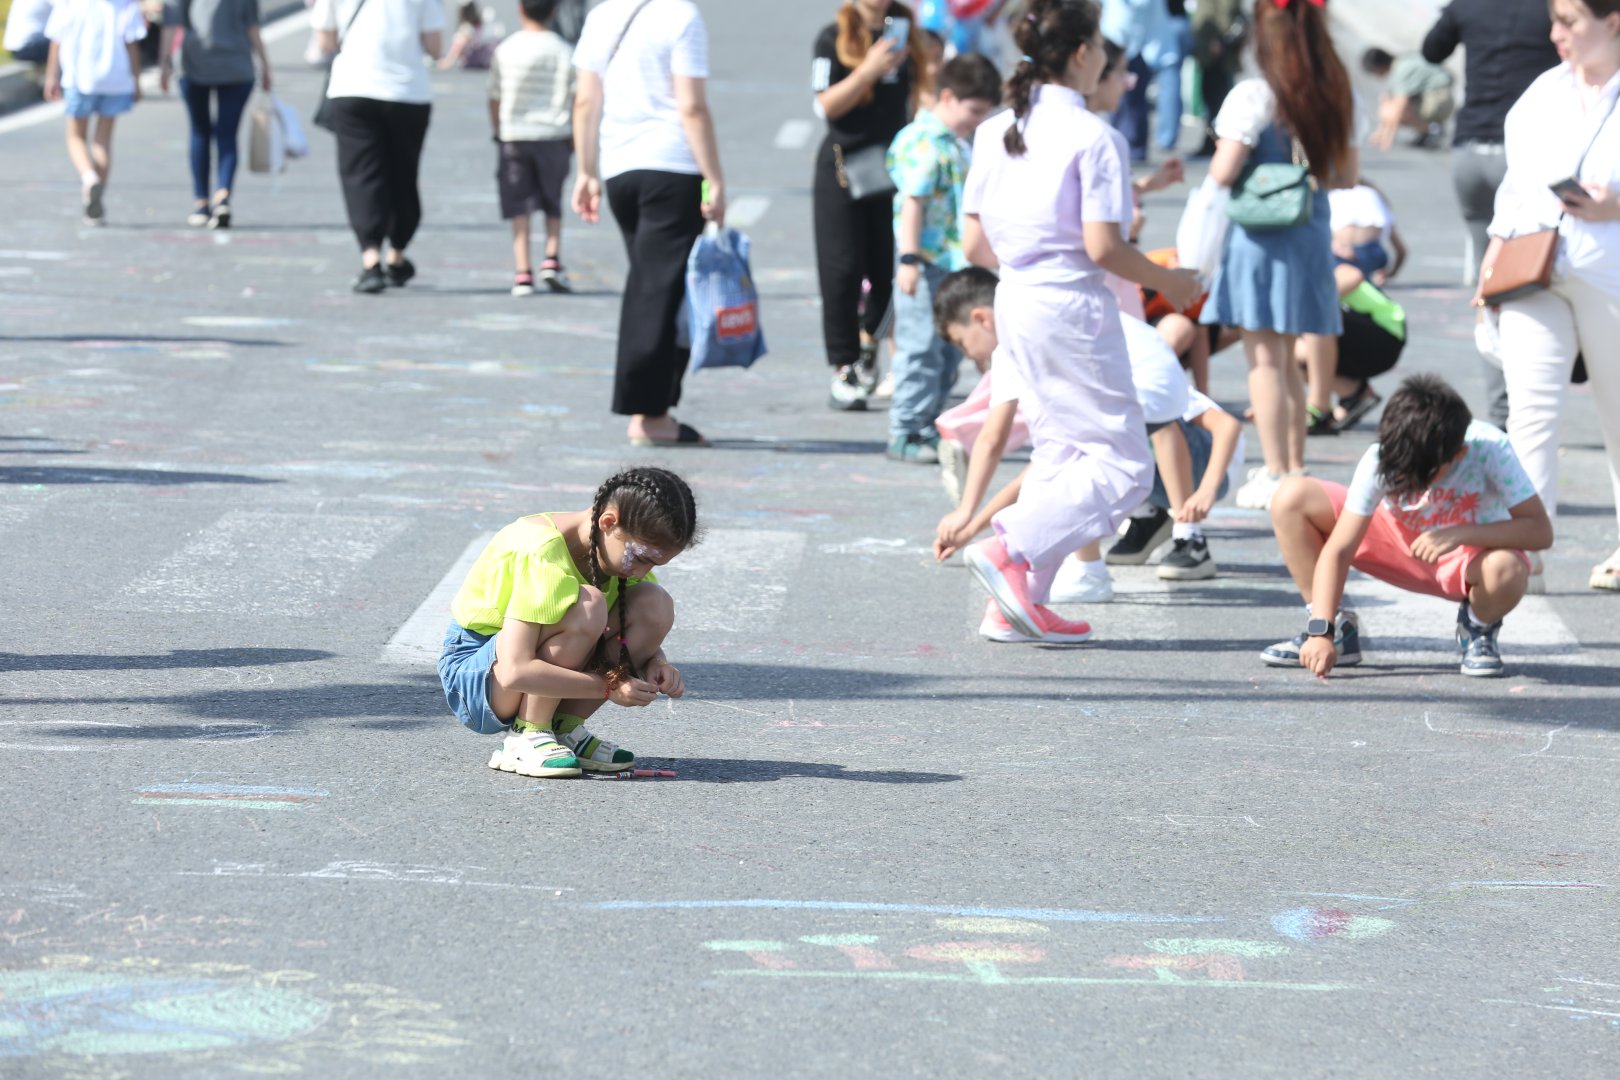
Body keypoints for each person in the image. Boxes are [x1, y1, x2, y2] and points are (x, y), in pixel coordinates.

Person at [956, 0, 1201, 644]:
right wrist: (1171, 281)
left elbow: (973, 245)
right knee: (1123, 468)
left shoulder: (995, 129)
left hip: (1016, 298)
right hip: (1071, 305)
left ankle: (1015, 601)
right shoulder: (1096, 136)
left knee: (1063, 455)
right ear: (1085, 54)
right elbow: (1104, 248)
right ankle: (1011, 552)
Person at [1265, 375, 1552, 678]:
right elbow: (1339, 549)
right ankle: (1337, 630)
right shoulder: (1386, 454)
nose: (1409, 484)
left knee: (1507, 569)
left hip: (1464, 560)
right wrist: (1320, 630)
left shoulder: (1490, 447)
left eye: (1422, 475)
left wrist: (1460, 534)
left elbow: (1540, 531)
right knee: (1292, 497)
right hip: (1393, 546)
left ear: (1458, 455)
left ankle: (1477, 628)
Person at [438, 467, 699, 778]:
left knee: (654, 603)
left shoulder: (613, 554)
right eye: (642, 558)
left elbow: (635, 616)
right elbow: (514, 671)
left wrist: (656, 662)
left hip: (518, 670)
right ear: (608, 522)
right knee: (588, 605)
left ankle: (562, 730)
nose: (641, 572)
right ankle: (527, 735)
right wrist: (609, 686)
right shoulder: (541, 551)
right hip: (478, 679)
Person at [1484, 0, 1620, 593]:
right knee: (1531, 411)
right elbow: (1515, 187)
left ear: (1613, 22)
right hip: (1534, 266)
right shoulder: (1544, 91)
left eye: (1570, 22)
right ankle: (1525, 550)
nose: (1555, 33)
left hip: (1609, 273)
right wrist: (1492, 258)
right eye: (1555, 21)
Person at [1199, 0, 1356, 510]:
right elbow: (1346, 176)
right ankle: (1293, 465)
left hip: (1260, 237)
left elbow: (1222, 172)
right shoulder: (1335, 93)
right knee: (1287, 357)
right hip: (1309, 231)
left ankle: (1273, 470)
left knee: (1263, 360)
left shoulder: (1254, 95)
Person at [573, 0, 724, 448]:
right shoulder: (681, 16)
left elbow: (585, 99)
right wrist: (714, 177)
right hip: (671, 166)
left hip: (621, 171)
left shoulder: (601, 15)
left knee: (654, 286)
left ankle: (655, 405)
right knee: (657, 293)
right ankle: (649, 414)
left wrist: (586, 171)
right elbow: (691, 107)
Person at [1422, 0, 1558, 432]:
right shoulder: (1552, 11)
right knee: (1543, 287)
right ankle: (1533, 404)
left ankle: (1502, 413)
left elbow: (1430, 50)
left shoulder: (1468, 5)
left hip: (1469, 154)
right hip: (1524, 154)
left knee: (1492, 285)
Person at [884, 52, 1002, 464]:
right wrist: (910, 259)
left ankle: (931, 424)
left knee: (949, 349)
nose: (976, 121)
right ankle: (906, 430)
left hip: (950, 264)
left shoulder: (955, 141)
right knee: (919, 348)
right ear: (948, 97)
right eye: (973, 111)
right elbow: (912, 202)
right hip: (925, 264)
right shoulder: (925, 143)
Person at [812, 1, 928, 411]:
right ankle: (843, 366)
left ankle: (869, 347)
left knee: (885, 272)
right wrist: (868, 71)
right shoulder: (833, 37)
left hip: (892, 169)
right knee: (840, 270)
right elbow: (825, 106)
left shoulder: (908, 31)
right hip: (843, 168)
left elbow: (924, 95)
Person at [312, 0, 445, 294]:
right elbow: (435, 46)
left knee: (360, 175)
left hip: (353, 86)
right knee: (403, 174)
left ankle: (370, 259)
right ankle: (396, 254)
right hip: (408, 91)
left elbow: (325, 40)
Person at [159, 0, 273, 230]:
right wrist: (264, 64)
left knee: (199, 132)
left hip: (194, 63)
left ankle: (201, 203)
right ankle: (222, 196)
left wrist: (164, 63)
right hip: (237, 65)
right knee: (227, 135)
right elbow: (252, 26)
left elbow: (171, 23)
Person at [490, 0, 575, 296]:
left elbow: (495, 95)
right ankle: (552, 258)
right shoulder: (564, 50)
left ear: (520, 9)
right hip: (554, 134)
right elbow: (575, 97)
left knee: (519, 205)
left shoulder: (506, 49)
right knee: (553, 200)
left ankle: (522, 271)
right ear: (554, 11)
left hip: (514, 134)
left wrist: (498, 129)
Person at [43, 0, 146, 227]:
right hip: (115, 79)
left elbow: (56, 40)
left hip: (79, 78)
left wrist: (51, 75)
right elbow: (132, 45)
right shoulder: (125, 4)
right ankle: (95, 210)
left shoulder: (69, 3)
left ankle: (89, 179)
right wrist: (136, 80)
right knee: (103, 140)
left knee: (75, 136)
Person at [1362, 47, 1456, 151]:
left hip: (1438, 101)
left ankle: (1433, 130)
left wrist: (1385, 139)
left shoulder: (1400, 71)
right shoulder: (1402, 61)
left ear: (1379, 67)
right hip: (1440, 97)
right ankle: (1428, 131)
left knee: (1398, 111)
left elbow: (1400, 106)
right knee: (1391, 104)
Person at [1191, 0, 1246, 158]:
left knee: (1217, 100)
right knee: (1210, 97)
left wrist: (1216, 40)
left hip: (1217, 49)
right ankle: (1211, 140)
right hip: (1210, 48)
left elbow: (1226, 10)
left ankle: (1215, 142)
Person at [440, 2, 498, 69]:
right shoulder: (480, 25)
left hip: (471, 66)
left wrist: (447, 62)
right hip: (483, 65)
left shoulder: (466, 28)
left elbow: (458, 47)